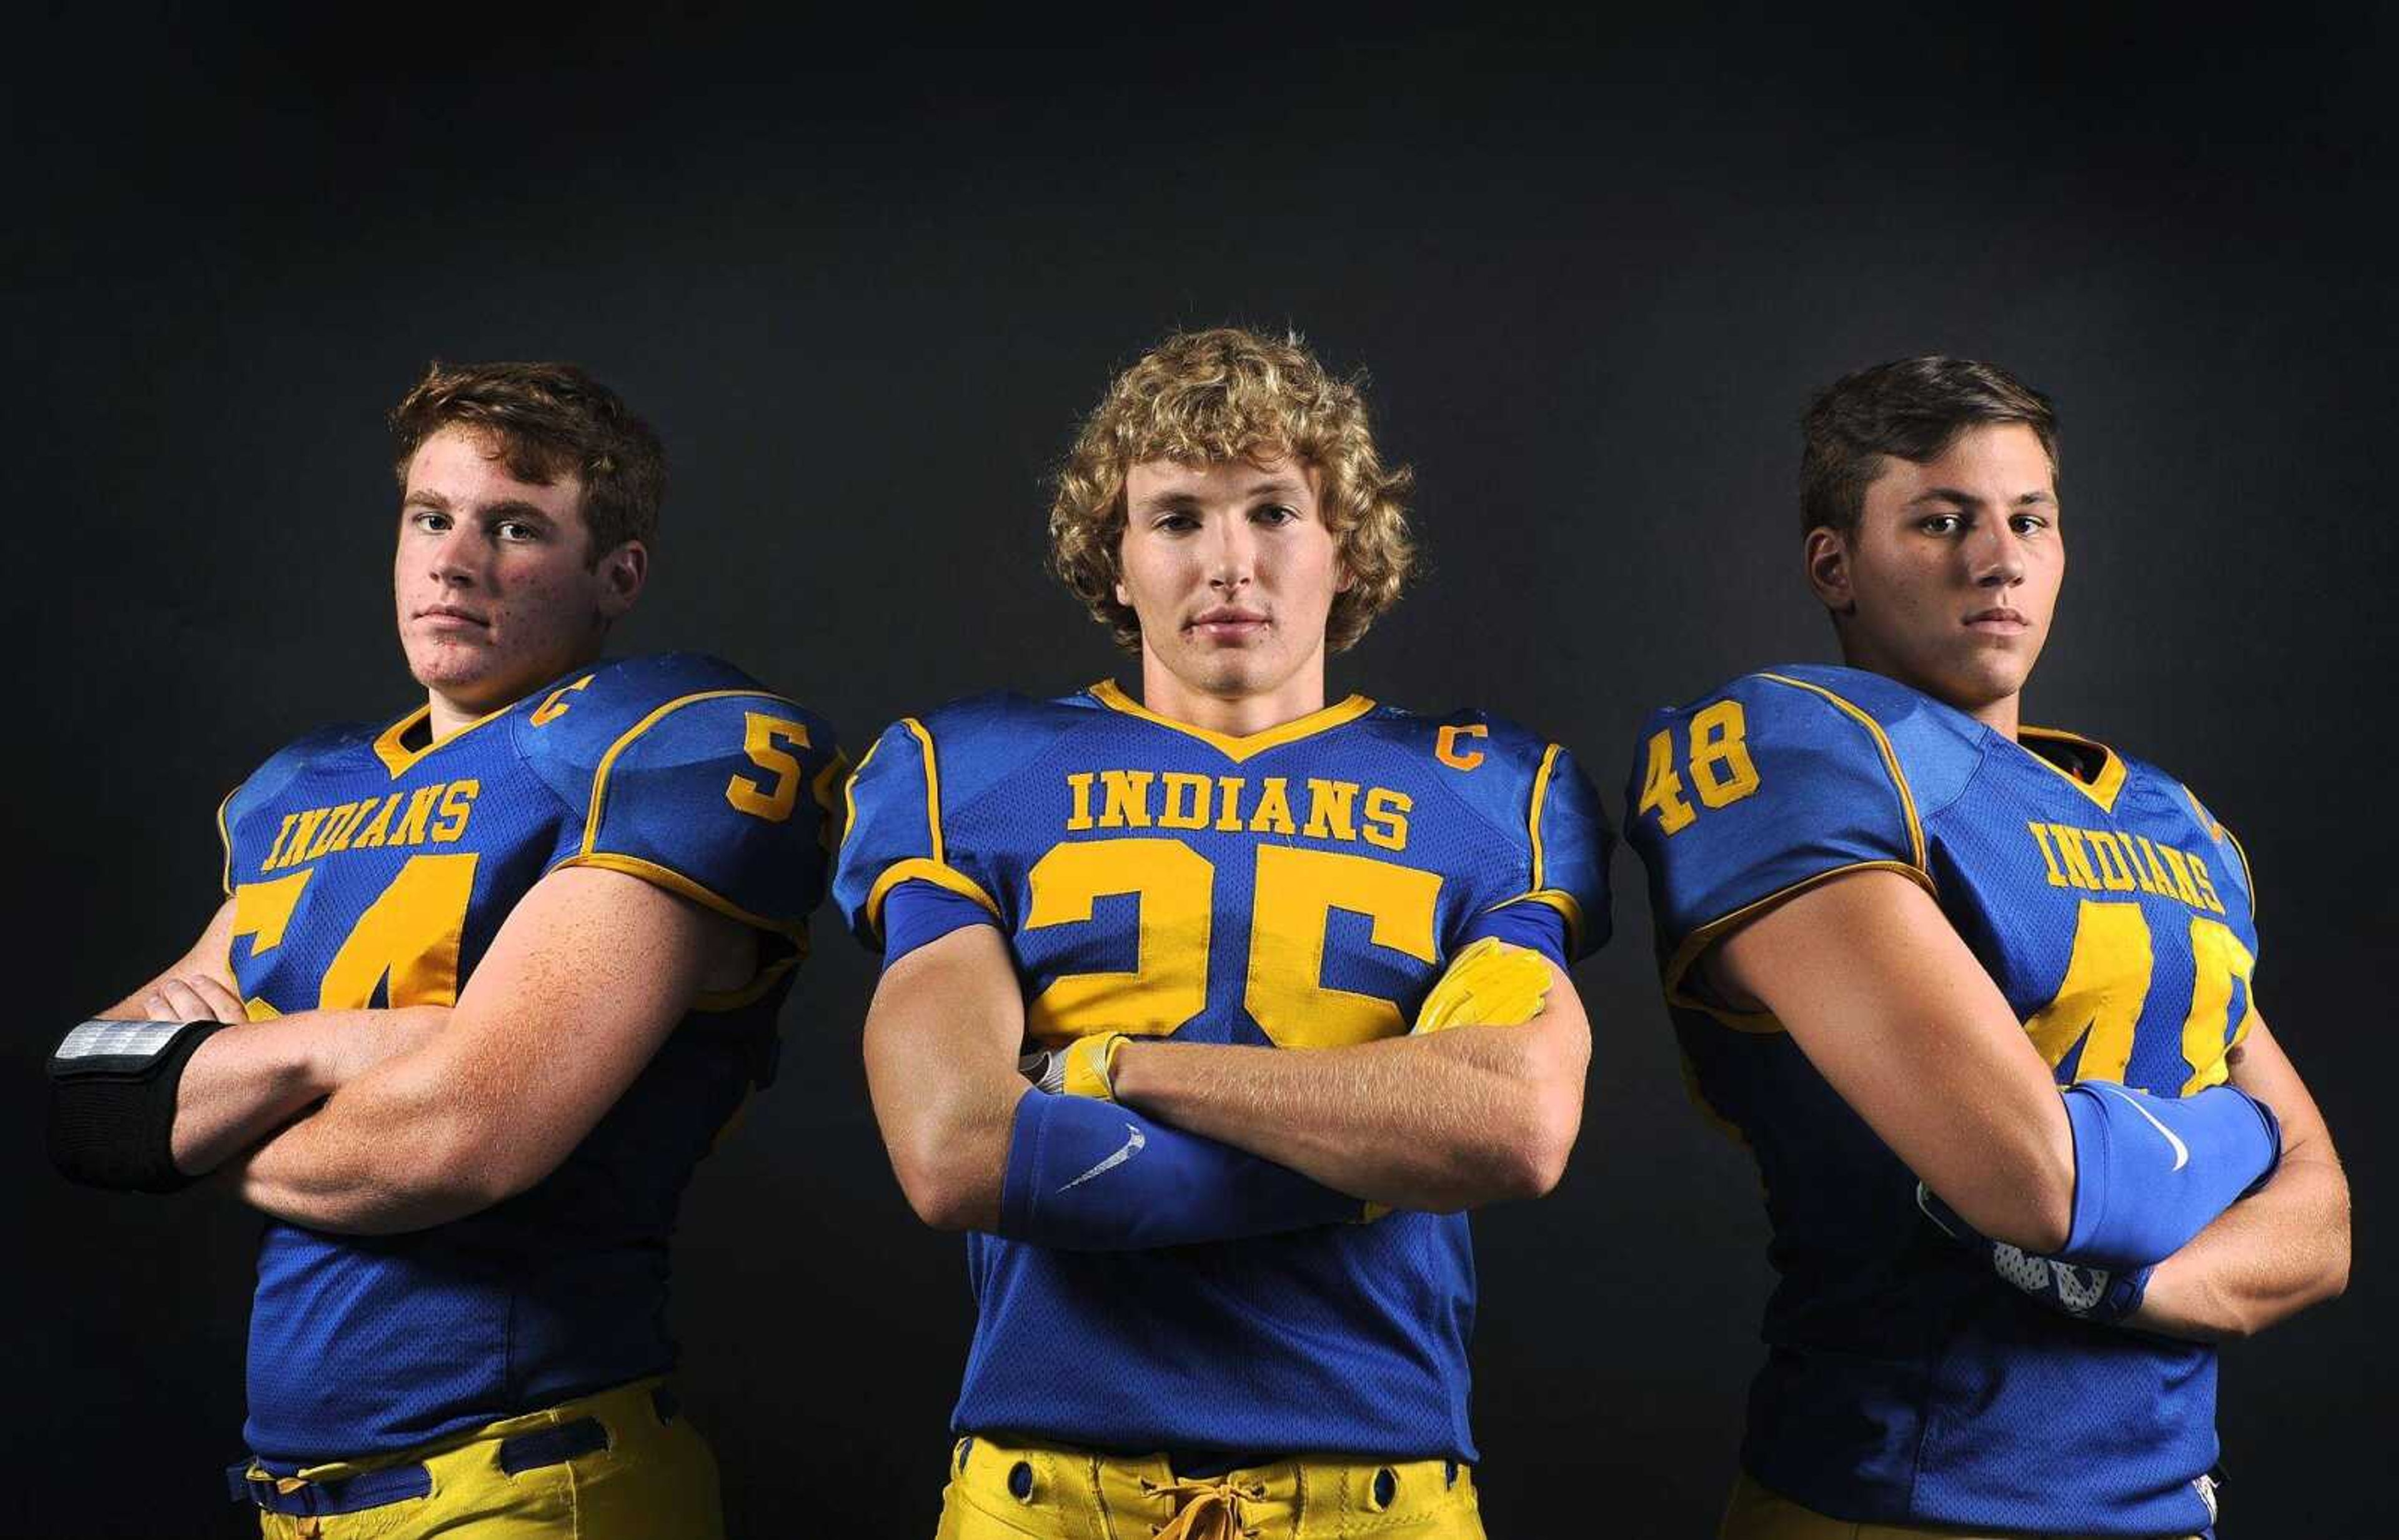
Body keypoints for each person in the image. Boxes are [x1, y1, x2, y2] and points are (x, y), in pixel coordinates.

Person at [834, 327, 1612, 1539]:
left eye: (1273, 510)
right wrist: (1371, 1149)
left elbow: (1513, 1124)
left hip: (1378, 1491)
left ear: (1344, 540)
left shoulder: (1494, 788)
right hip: (1048, 1489)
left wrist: (1114, 1073)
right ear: (1117, 550)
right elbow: (953, 1147)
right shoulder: (967, 771)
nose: (1231, 563)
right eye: (1180, 517)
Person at [46, 361, 842, 1537]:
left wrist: (213, 1115)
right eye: (431, 516)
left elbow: (464, 1131)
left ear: (617, 574)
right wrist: (361, 1049)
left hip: (526, 1478)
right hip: (299, 1501)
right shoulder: (299, 794)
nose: (454, 560)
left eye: (516, 527)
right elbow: (95, 1102)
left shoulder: (666, 744)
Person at [1625, 357, 2350, 1538]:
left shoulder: (2174, 821)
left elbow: (2323, 1228)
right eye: (1941, 520)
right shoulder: (1804, 748)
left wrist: (2124, 1284)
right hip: (1909, 1499)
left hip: (2167, 1505)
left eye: (2030, 519)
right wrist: (2252, 1134)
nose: (1998, 558)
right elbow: (2041, 1180)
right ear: (1834, 567)